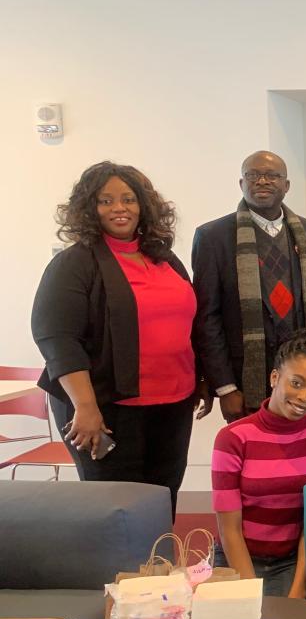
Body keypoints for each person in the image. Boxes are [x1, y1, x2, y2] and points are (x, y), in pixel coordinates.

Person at [32, 161, 201, 514]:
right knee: (116, 508)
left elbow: (188, 321)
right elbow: (58, 338)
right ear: (89, 208)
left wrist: (202, 380)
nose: (119, 208)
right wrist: (85, 407)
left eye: (128, 199)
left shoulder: (164, 258)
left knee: (163, 494)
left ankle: (157, 563)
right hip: (106, 409)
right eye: (105, 201)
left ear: (144, 206)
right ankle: (118, 571)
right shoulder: (75, 263)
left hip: (173, 404)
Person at [211, 312, 306, 598]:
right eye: (296, 383)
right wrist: (249, 593)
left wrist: (298, 591)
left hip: (292, 563)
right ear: (275, 377)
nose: (304, 398)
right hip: (238, 556)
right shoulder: (233, 438)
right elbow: (229, 529)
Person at [192, 150, 306, 423]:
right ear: (241, 184)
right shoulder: (213, 237)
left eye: (272, 176)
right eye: (253, 175)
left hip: (302, 376)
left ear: (286, 186)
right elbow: (207, 318)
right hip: (244, 380)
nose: (262, 181)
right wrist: (225, 386)